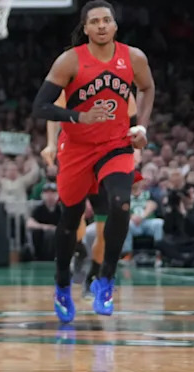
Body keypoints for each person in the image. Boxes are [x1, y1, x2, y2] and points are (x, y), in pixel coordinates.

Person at [32, 0, 155, 323]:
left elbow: (147, 88)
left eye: (106, 20)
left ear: (115, 25)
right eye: (94, 21)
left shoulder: (134, 58)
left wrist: (140, 126)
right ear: (85, 28)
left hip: (116, 146)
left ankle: (105, 280)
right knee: (70, 220)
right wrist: (78, 117)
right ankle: (61, 283)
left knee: (120, 205)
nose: (101, 25)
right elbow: (41, 107)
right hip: (75, 149)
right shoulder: (70, 61)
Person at [42, 91, 137, 297]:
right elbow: (54, 112)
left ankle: (94, 275)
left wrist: (133, 155)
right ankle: (74, 253)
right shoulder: (74, 80)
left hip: (106, 155)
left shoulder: (121, 85)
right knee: (72, 215)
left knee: (106, 225)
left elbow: (133, 121)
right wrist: (50, 142)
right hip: (75, 153)